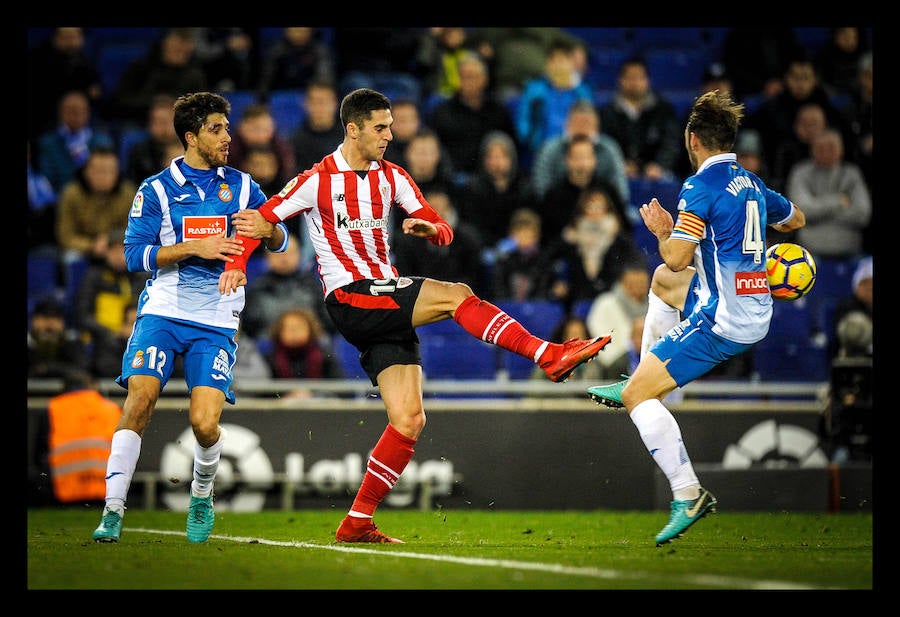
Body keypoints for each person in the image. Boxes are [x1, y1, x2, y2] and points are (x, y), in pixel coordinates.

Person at [227, 88, 610, 544]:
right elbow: (259, 221)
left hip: (383, 301)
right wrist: (237, 266)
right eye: (381, 127)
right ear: (353, 129)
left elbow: (441, 226)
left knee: (409, 419)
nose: (390, 135)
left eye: (391, 126)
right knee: (456, 295)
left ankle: (357, 521)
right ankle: (546, 354)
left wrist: (433, 229)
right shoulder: (316, 180)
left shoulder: (394, 176)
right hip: (350, 296)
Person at [586, 90, 806, 546]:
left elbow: (678, 256)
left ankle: (688, 494)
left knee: (638, 397)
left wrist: (664, 231)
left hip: (723, 318)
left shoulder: (699, 187)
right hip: (753, 306)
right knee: (663, 282)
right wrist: (763, 253)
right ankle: (644, 375)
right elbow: (795, 221)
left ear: (692, 140)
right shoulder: (751, 182)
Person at [91, 92, 289, 544]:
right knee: (140, 401)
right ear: (191, 136)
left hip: (216, 318)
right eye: (216, 129)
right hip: (163, 311)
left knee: (204, 423)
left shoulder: (242, 186)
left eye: (226, 128)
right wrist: (192, 248)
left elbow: (279, 240)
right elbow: (134, 255)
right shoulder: (156, 190)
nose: (227, 137)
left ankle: (201, 494)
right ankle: (113, 510)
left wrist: (268, 231)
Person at [598, 56, 682, 182]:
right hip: (620, 172)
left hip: (657, 173)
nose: (634, 82)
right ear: (620, 80)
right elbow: (605, 143)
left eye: (639, 77)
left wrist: (660, 165)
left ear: (647, 80)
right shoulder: (607, 112)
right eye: (630, 77)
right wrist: (619, 164)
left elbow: (672, 142)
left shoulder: (663, 110)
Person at [55, 146, 136, 266]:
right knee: (71, 258)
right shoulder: (71, 194)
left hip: (118, 246)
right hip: (84, 249)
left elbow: (134, 230)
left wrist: (112, 242)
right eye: (99, 171)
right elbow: (66, 236)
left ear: (117, 173)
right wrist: (92, 245)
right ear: (87, 172)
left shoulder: (129, 193)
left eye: (110, 171)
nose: (104, 176)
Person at [36, 89, 116, 192]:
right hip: (59, 196)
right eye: (71, 111)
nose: (76, 115)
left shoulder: (102, 140)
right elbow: (46, 179)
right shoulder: (47, 143)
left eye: (81, 111)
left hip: (96, 196)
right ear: (61, 113)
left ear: (88, 113)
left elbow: (111, 176)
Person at [584, 263, 651, 380]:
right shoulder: (605, 304)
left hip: (648, 365)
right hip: (613, 369)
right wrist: (625, 360)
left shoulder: (654, 305)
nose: (639, 287)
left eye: (642, 283)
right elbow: (599, 341)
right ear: (623, 283)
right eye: (634, 283)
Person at [264, 307, 343, 398]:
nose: (294, 332)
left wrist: (314, 396)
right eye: (289, 328)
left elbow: (340, 389)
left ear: (310, 330)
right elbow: (263, 393)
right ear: (279, 331)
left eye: (299, 327)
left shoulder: (325, 356)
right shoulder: (270, 359)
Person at [123, 94, 181, 184]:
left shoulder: (191, 149)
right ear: (150, 124)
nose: (163, 128)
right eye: (158, 122)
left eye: (167, 121)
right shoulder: (139, 152)